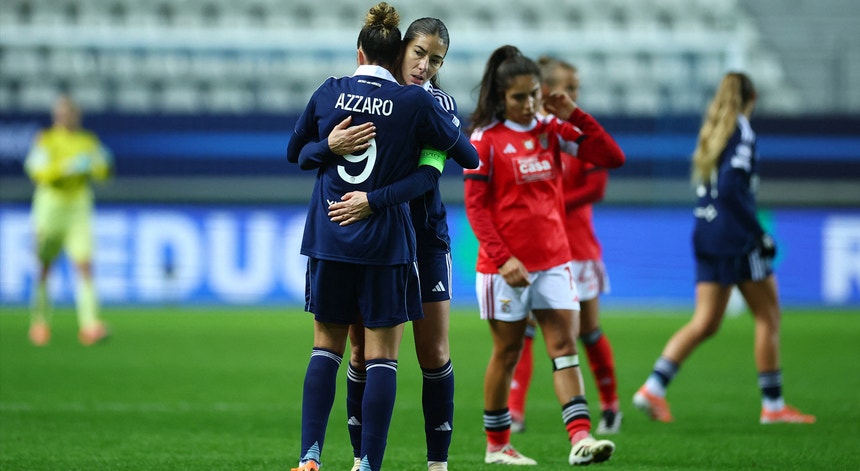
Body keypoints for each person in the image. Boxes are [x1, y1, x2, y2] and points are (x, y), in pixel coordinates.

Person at [284, 3, 478, 471]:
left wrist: (373, 200)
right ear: (400, 50)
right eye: (419, 53)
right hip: (377, 238)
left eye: (436, 61)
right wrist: (330, 149)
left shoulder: (436, 105)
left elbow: (431, 177)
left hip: (421, 236)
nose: (425, 66)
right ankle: (359, 459)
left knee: (432, 351)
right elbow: (304, 152)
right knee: (360, 348)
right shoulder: (396, 100)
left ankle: (437, 463)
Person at [464, 45, 624, 467]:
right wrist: (503, 259)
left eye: (534, 93)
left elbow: (612, 157)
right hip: (505, 270)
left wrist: (574, 113)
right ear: (501, 98)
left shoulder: (552, 129)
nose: (529, 103)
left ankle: (580, 438)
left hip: (555, 260)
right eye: (519, 97)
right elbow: (476, 208)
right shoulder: (485, 140)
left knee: (564, 345)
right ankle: (497, 445)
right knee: (508, 352)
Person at [632, 72, 815, 425]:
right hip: (736, 238)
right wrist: (757, 232)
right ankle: (774, 407)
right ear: (754, 96)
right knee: (768, 316)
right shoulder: (742, 130)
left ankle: (653, 387)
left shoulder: (714, 129)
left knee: (706, 321)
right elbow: (732, 186)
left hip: (705, 230)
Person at [508, 57, 622, 436]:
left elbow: (598, 185)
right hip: (534, 248)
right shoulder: (529, 133)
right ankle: (515, 411)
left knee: (587, 330)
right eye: (568, 88)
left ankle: (610, 406)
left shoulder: (573, 134)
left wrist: (549, 205)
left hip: (578, 247)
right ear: (546, 90)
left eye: (576, 88)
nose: (574, 95)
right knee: (522, 331)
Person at [23, 95, 112, 347]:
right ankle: (39, 322)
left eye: (70, 113)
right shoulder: (46, 140)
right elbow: (37, 172)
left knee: (84, 265)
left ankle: (90, 324)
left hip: (78, 208)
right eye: (61, 113)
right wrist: (67, 167)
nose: (66, 117)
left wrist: (99, 163)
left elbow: (105, 171)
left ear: (76, 116)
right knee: (44, 265)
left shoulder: (88, 141)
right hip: (50, 207)